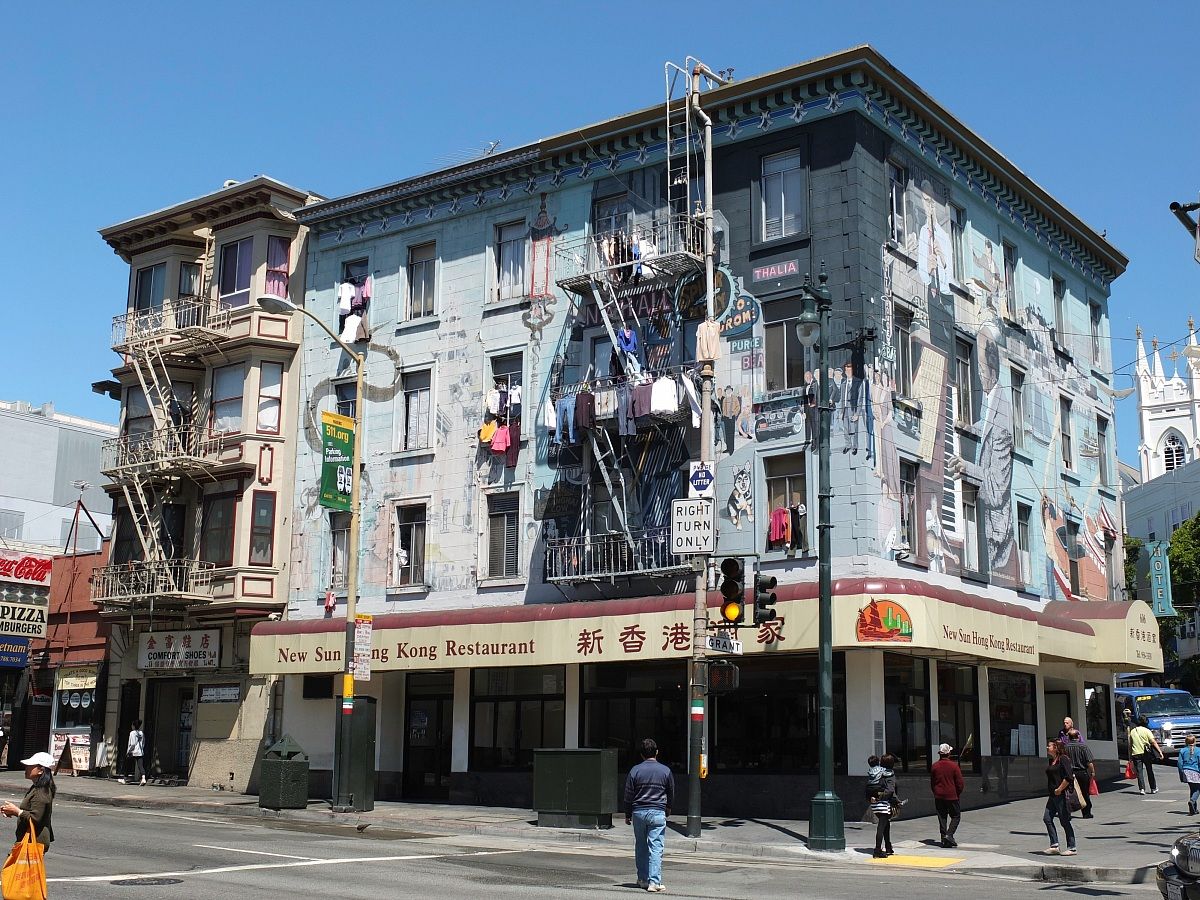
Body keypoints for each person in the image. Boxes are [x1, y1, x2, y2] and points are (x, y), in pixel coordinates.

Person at [624, 738, 673, 893]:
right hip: (658, 812)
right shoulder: (665, 771)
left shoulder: (635, 770)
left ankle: (642, 879)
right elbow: (671, 792)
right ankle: (654, 882)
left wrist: (627, 813)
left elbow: (628, 794)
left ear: (641, 754)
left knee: (641, 845)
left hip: (638, 812)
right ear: (657, 752)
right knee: (656, 847)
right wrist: (668, 808)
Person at [1, 751, 56, 851]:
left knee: (15, 867)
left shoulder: (41, 790)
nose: (26, 768)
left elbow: (35, 818)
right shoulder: (37, 787)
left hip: (34, 841)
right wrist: (11, 811)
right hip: (29, 840)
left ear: (41, 770)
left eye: (31, 766)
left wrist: (17, 811)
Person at [1044, 740, 1077, 856]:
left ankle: (1072, 847)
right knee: (1047, 818)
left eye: (1049, 746)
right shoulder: (1052, 761)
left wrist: (1059, 789)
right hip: (1053, 796)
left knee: (1064, 821)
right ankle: (1054, 845)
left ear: (1056, 748)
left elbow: (1069, 777)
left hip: (1061, 795)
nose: (1047, 747)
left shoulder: (1063, 759)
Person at [931, 743, 965, 847]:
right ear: (949, 753)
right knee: (956, 816)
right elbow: (960, 783)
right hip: (952, 795)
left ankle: (943, 837)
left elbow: (932, 782)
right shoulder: (954, 766)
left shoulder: (935, 766)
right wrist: (957, 793)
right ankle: (949, 835)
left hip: (939, 795)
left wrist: (936, 791)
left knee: (942, 816)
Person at [870, 753, 898, 859]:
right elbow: (890, 790)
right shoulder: (890, 775)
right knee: (881, 826)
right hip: (884, 804)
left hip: (875, 804)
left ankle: (888, 846)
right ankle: (877, 850)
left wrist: (873, 798)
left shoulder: (877, 773)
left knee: (886, 825)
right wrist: (897, 801)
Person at [1063, 729, 1096, 818]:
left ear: (1069, 737)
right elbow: (1089, 761)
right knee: (1084, 793)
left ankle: (1067, 812)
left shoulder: (1065, 747)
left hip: (1070, 773)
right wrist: (1092, 772)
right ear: (1078, 736)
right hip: (1082, 773)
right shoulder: (1083, 747)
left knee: (1069, 793)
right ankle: (1086, 813)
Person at [1130, 715, 1163, 795]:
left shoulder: (1133, 731)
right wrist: (1160, 752)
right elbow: (1153, 742)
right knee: (1149, 770)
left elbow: (1130, 744)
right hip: (1146, 753)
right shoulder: (1147, 731)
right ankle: (1153, 788)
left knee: (1139, 772)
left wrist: (1130, 755)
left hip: (1136, 753)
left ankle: (1142, 789)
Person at [120, 719, 147, 786]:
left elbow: (133, 744)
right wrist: (142, 749)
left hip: (132, 751)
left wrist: (129, 751)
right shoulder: (141, 733)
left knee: (127, 765)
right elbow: (143, 742)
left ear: (134, 726)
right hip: (140, 751)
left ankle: (125, 779)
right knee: (140, 766)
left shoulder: (132, 733)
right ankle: (143, 778)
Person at [1179, 734, 1200, 815]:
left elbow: (1180, 763)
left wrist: (1181, 774)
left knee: (1193, 788)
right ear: (1195, 741)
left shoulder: (1182, 750)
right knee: (1198, 789)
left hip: (1186, 771)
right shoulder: (1198, 750)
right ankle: (1192, 801)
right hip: (1195, 771)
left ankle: (1193, 809)